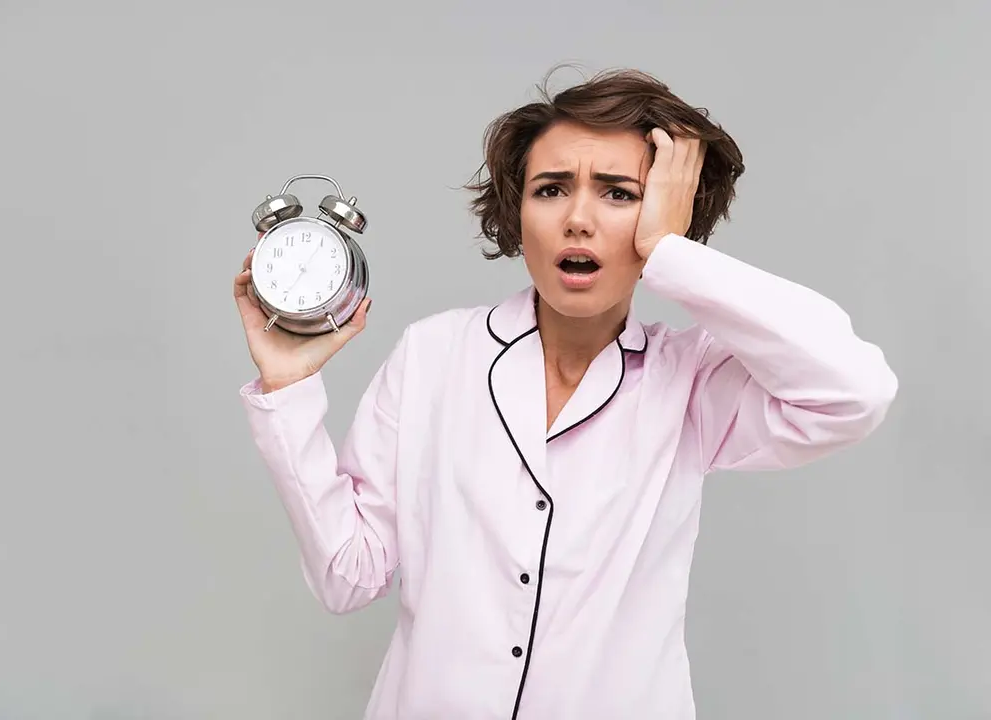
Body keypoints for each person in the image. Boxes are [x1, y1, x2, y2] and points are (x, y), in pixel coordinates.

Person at [232, 67, 898, 720]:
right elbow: (348, 575)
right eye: (550, 190)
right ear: (517, 214)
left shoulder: (691, 381)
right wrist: (287, 391)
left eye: (618, 194)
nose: (577, 219)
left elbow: (854, 391)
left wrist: (670, 253)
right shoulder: (433, 356)